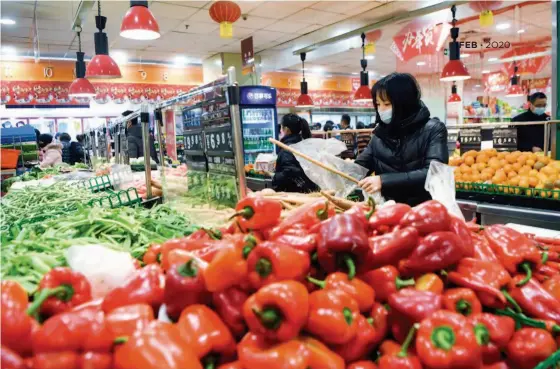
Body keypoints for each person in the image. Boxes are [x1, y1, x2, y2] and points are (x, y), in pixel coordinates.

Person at [355, 72, 448, 206]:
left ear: (404, 103)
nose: (381, 110)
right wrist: (333, 167)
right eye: (378, 104)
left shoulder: (433, 129)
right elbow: (359, 168)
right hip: (389, 211)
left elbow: (434, 173)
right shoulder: (379, 135)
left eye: (387, 104)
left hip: (423, 212)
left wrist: (383, 181)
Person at [272, 114, 319, 193]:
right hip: (308, 191)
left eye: (281, 127)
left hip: (294, 194)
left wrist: (275, 178)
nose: (280, 130)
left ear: (287, 129)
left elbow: (289, 172)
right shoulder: (303, 144)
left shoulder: (287, 149)